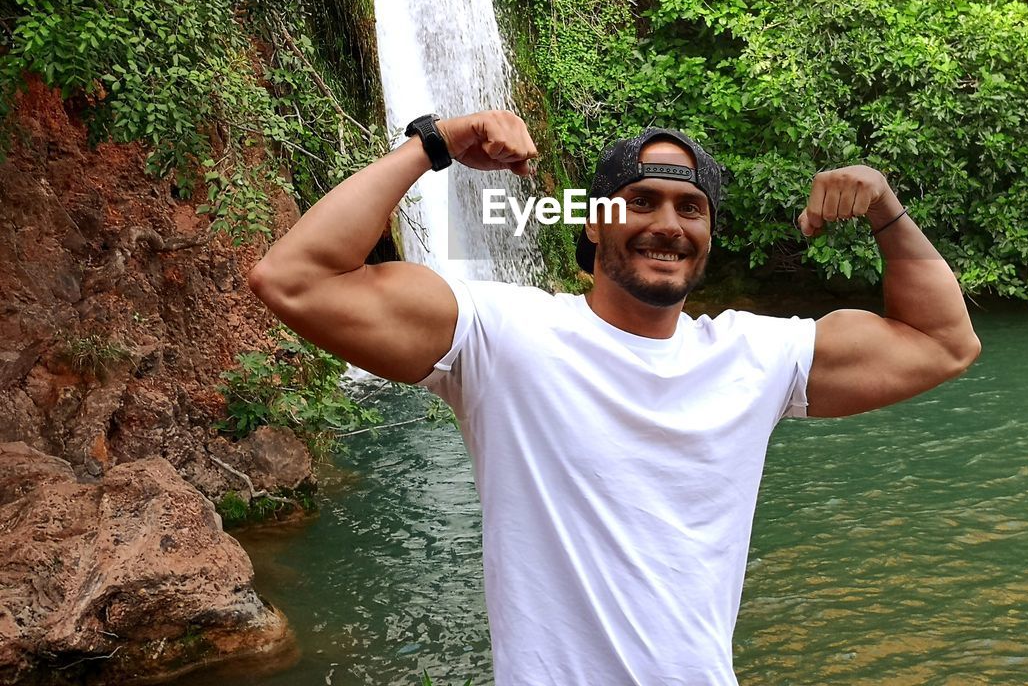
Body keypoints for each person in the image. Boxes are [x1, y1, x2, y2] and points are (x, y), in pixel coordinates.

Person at [248, 109, 981, 686]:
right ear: (593, 223)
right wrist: (433, 143)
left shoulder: (754, 357)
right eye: (642, 201)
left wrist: (885, 209)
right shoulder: (503, 335)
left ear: (709, 236)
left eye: (691, 209)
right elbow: (294, 278)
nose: (668, 224)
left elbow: (945, 342)